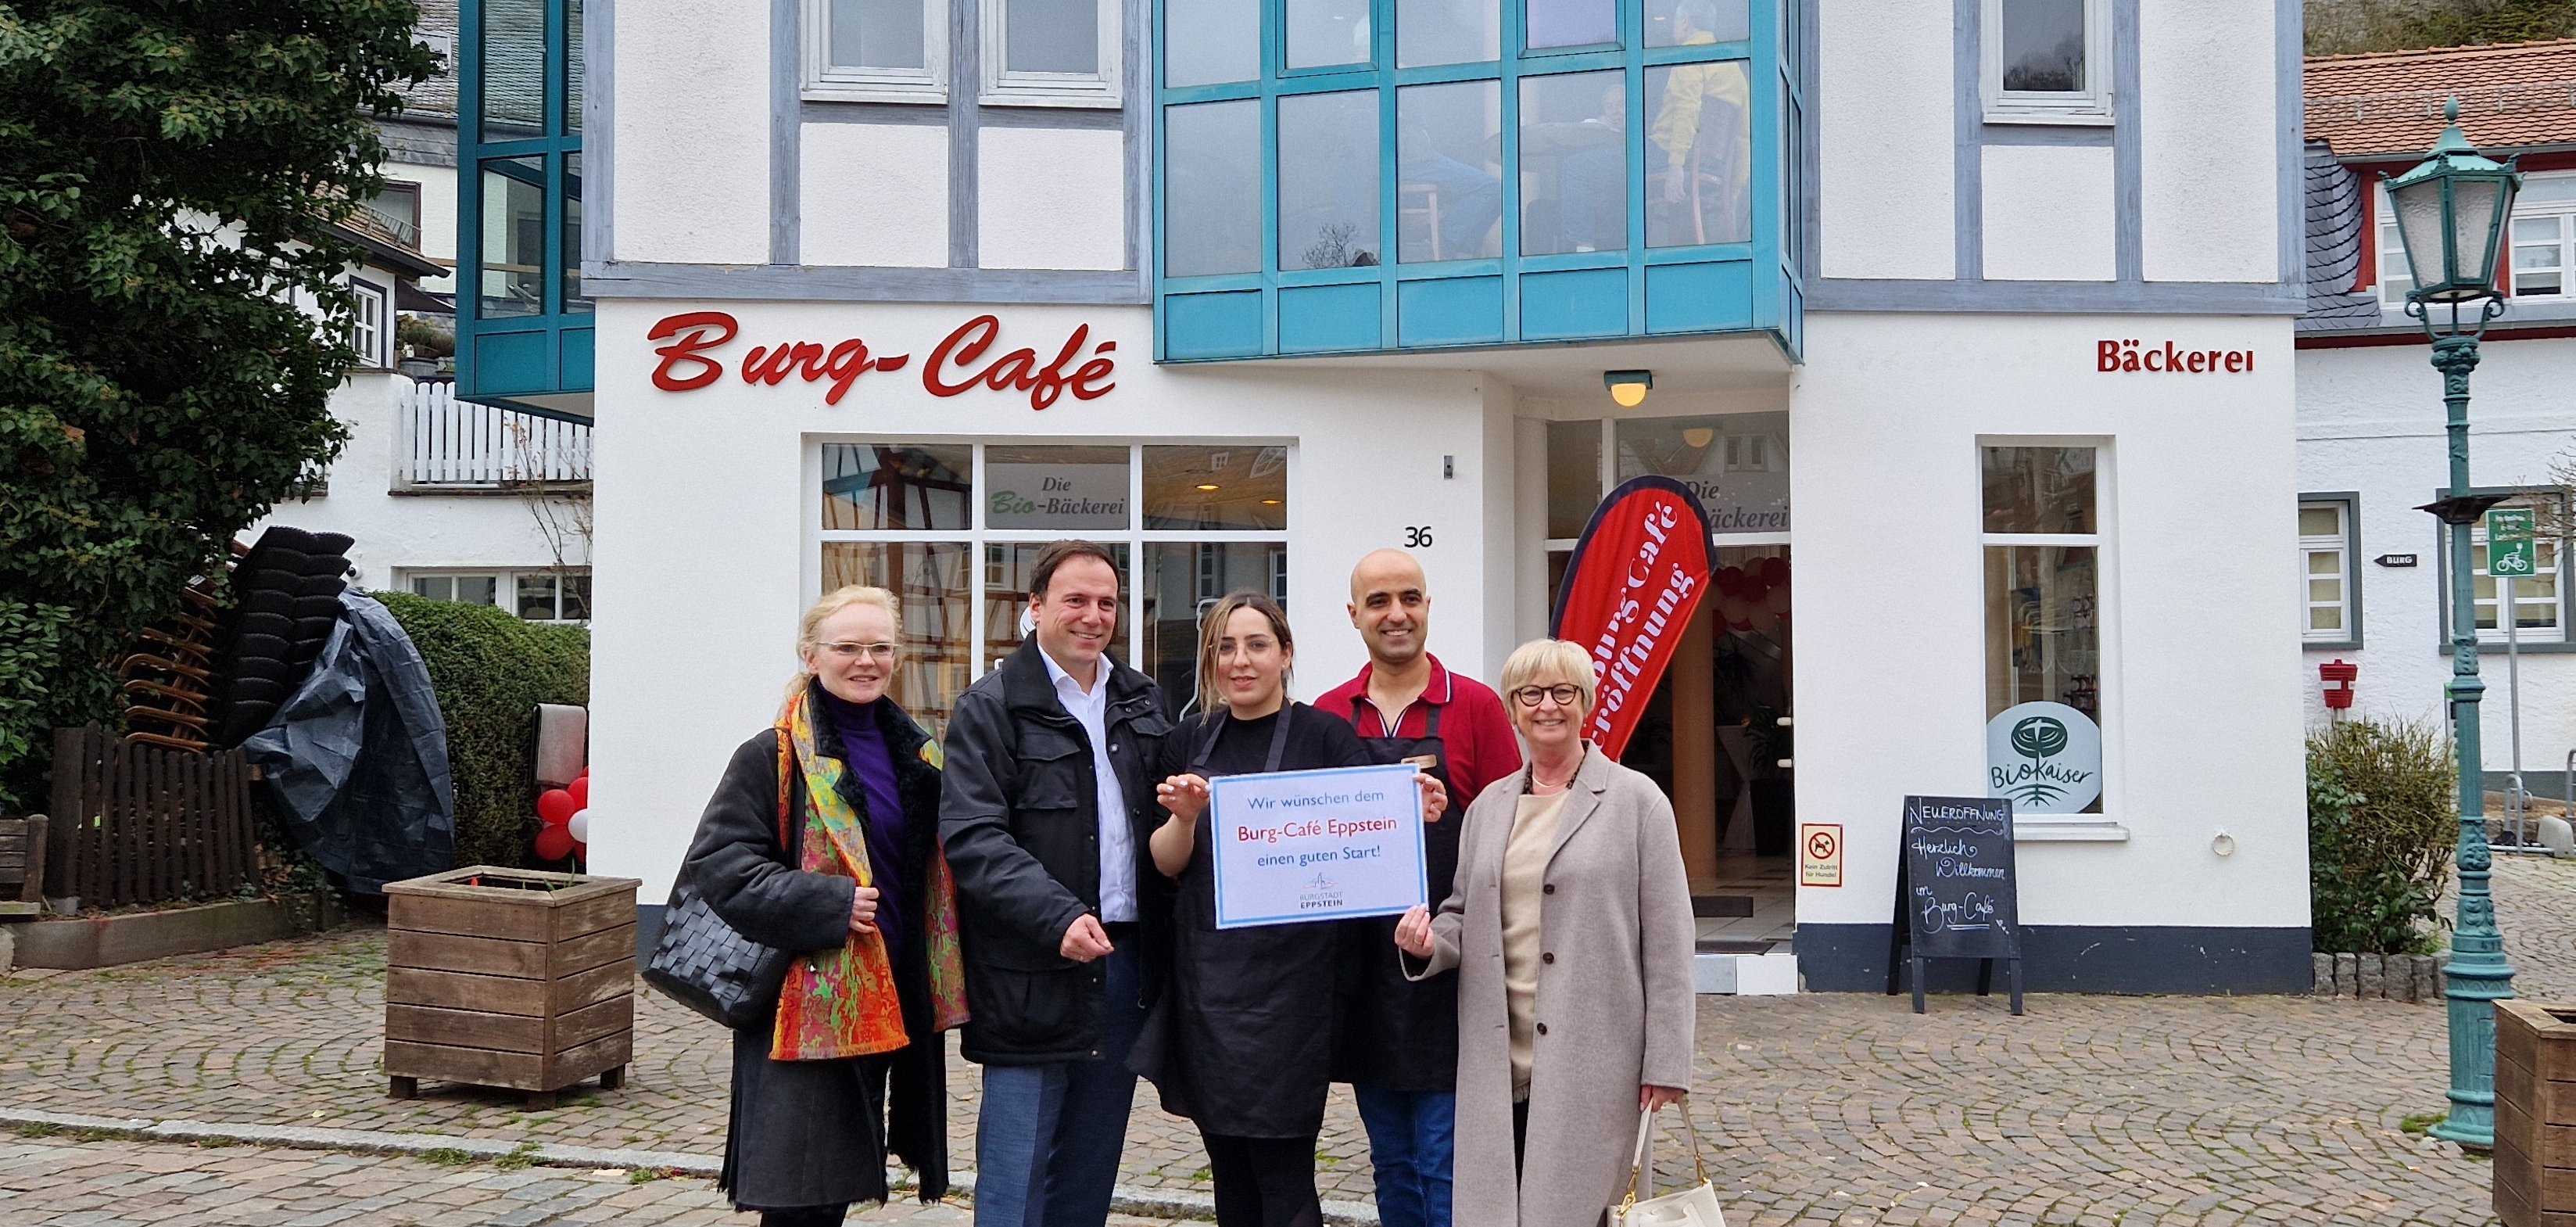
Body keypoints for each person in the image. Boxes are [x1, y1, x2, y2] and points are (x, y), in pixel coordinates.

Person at [1134, 590, 1446, 1227]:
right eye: (1224, 646)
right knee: (1228, 1170)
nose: (1239, 661)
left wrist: (1412, 811)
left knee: (1283, 1175)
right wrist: (1186, 817)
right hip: (1208, 990)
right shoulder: (1187, 738)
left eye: (1255, 645)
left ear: (1285, 653)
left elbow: (1371, 837)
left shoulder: (1323, 734)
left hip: (1293, 995)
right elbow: (1166, 863)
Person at [680, 584, 967, 1227]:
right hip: (805, 998)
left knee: (834, 1184)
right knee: (800, 1194)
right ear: (811, 655)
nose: (865, 661)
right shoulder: (771, 756)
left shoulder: (919, 755)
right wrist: (831, 901)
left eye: (879, 647)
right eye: (847, 647)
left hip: (892, 993)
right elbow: (719, 866)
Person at [1393, 639, 1696, 1227]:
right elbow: (1460, 911)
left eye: (1563, 692)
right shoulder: (1487, 806)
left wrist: (1666, 1061)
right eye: (1530, 693)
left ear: (1586, 702)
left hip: (1597, 1060)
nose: (1546, 706)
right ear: (1511, 707)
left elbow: (1668, 942)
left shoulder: (1637, 802)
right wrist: (1431, 944)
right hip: (1496, 1057)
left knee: (1583, 1212)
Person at [939, 540, 1174, 1227]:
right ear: (1035, 606)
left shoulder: (1142, 700)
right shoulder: (991, 706)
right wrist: (1058, 917)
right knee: (1017, 1168)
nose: (1093, 615)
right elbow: (974, 839)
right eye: (1075, 599)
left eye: (1106, 602)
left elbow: (1171, 818)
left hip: (1124, 964)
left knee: (1090, 1165)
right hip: (1030, 968)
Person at [1315, 550, 1521, 1227]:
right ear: (1354, 615)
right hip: (1363, 971)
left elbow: (1508, 835)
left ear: (1428, 605)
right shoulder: (1327, 713)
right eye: (1378, 601)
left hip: (1449, 973)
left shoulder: (1478, 707)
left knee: (1443, 1156)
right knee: (1391, 1162)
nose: (1395, 613)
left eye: (1409, 597)